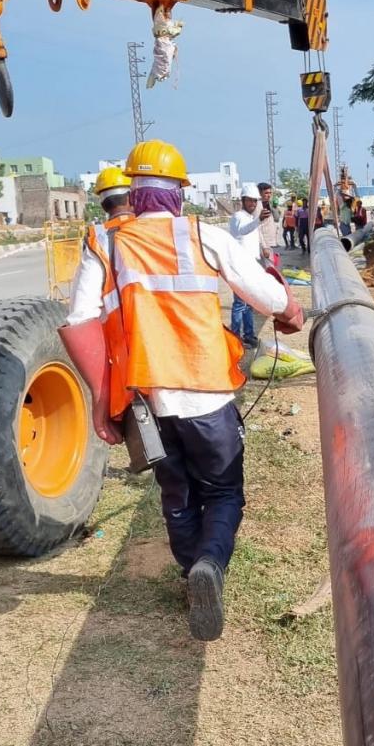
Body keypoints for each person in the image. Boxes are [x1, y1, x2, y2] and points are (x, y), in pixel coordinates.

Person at [59, 140, 304, 642]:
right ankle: (210, 567)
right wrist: (289, 310)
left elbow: (79, 322)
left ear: (132, 190)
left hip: (147, 401)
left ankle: (189, 575)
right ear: (178, 194)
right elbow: (268, 295)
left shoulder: (103, 243)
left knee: (176, 494)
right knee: (223, 491)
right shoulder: (202, 234)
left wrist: (106, 403)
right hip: (207, 393)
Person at [227, 183, 265, 346]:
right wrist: (258, 221)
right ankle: (235, 337)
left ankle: (248, 334)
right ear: (243, 200)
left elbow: (252, 239)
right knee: (239, 304)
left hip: (250, 265)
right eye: (250, 201)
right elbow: (243, 231)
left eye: (255, 201)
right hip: (240, 266)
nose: (253, 204)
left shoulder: (250, 218)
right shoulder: (238, 217)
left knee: (249, 303)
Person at [257, 181, 282, 267]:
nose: (269, 195)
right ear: (259, 193)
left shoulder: (268, 205)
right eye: (266, 193)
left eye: (270, 193)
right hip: (264, 244)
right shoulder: (257, 207)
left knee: (272, 267)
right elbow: (257, 228)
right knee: (267, 270)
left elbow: (275, 218)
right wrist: (264, 247)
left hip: (269, 243)